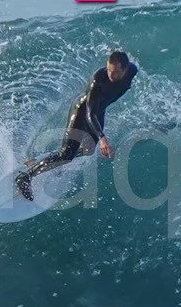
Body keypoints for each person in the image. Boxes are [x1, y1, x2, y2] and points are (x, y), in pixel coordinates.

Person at [17, 50, 138, 200]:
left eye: (116, 72)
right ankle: (25, 177)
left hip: (100, 110)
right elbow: (90, 114)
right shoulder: (98, 80)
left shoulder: (132, 70)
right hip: (83, 111)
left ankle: (56, 156)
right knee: (66, 155)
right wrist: (102, 138)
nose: (110, 75)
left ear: (125, 69)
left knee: (88, 150)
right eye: (109, 70)